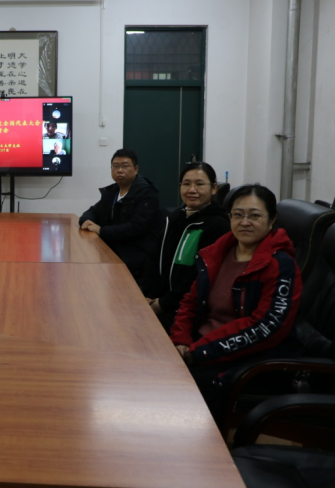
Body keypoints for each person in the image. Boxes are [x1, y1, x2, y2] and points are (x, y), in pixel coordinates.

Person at [170, 184, 302, 419]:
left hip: (246, 357)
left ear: (272, 220)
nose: (245, 222)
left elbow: (265, 328)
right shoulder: (218, 253)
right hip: (201, 345)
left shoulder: (280, 266)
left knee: (178, 390)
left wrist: (197, 351)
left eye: (255, 216)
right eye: (238, 215)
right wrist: (180, 339)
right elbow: (191, 301)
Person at [142, 162, 230, 331]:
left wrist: (162, 304)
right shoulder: (173, 218)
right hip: (160, 302)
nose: (192, 190)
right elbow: (154, 260)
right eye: (186, 184)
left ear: (213, 188)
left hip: (186, 311)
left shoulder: (218, 225)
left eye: (199, 184)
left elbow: (197, 277)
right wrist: (147, 296)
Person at [79, 149, 162, 279]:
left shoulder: (147, 194)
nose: (120, 170)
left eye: (125, 166)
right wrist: (85, 221)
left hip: (136, 254)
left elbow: (135, 228)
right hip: (112, 247)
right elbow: (92, 211)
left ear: (136, 169)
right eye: (116, 166)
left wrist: (101, 230)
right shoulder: (113, 191)